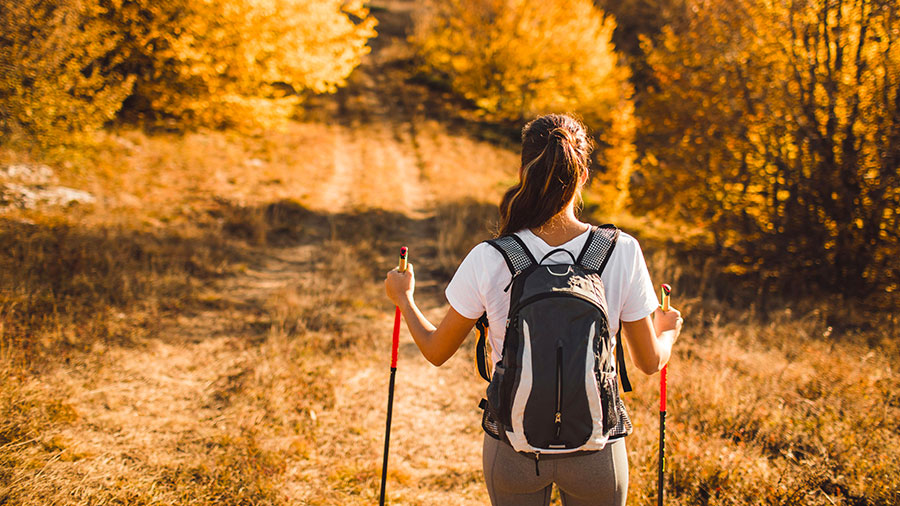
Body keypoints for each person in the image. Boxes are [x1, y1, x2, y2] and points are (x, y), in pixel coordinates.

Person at [384, 113, 683, 506]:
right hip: (597, 449)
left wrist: (404, 299)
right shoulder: (620, 250)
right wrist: (668, 330)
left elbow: (436, 352)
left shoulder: (491, 256)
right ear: (583, 175)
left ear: (523, 170)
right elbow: (648, 361)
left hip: (512, 448)